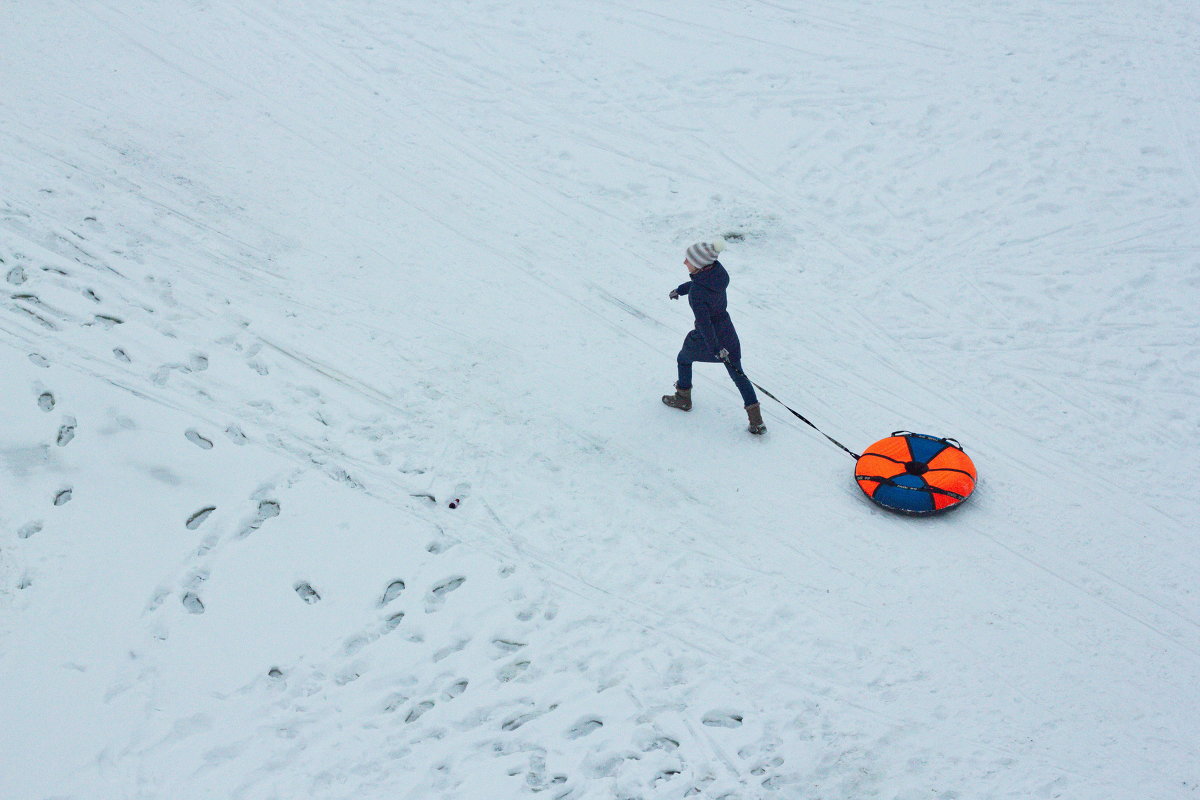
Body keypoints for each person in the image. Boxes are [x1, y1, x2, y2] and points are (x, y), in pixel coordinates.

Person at [662, 239, 766, 435]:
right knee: (739, 375)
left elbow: (704, 324)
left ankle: (683, 398)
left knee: (683, 358)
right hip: (727, 330)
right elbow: (696, 284)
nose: (684, 262)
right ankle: (757, 422)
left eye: (688, 260)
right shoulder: (717, 274)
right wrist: (680, 289)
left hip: (708, 337)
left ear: (699, 266)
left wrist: (716, 349)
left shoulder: (698, 295)